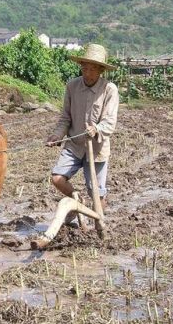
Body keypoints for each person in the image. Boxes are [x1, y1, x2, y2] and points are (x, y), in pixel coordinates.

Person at [46, 43, 119, 225]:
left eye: (92, 68)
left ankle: (99, 224)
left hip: (97, 148)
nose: (87, 71)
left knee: (97, 191)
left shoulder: (109, 90)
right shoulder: (72, 86)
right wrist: (57, 135)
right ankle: (76, 199)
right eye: (84, 67)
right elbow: (66, 117)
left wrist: (97, 129)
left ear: (101, 70)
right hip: (74, 145)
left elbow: (109, 122)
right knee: (57, 178)